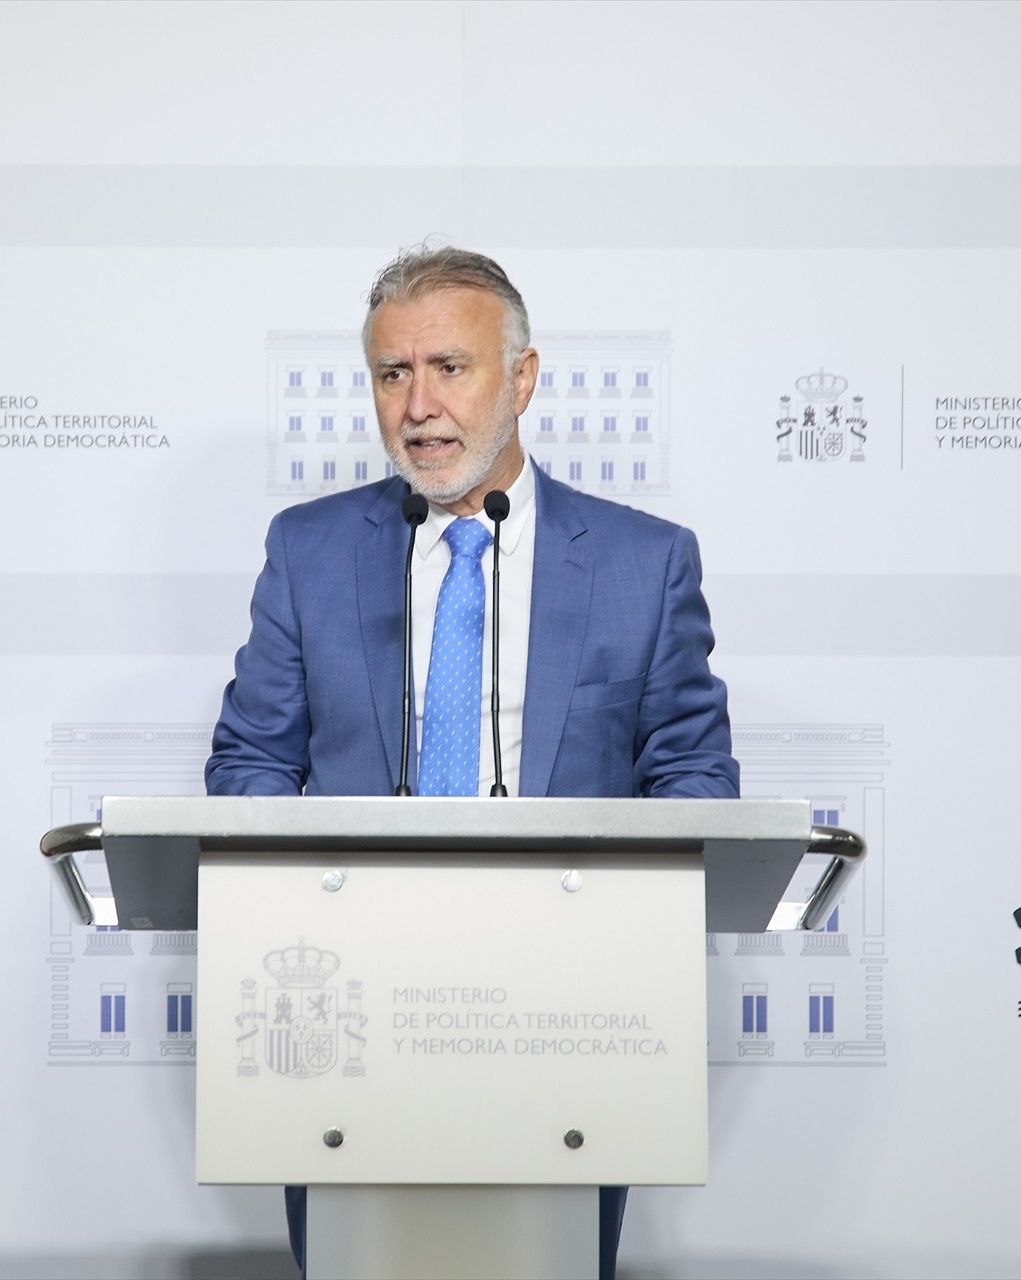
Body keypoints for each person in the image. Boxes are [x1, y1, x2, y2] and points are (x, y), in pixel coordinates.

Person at [206, 245, 739, 1279]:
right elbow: (250, 764)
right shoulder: (310, 550)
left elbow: (692, 779)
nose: (418, 404)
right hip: (350, 1009)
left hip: (571, 1004)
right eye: (391, 373)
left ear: (524, 379)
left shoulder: (644, 561)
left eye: (450, 366)